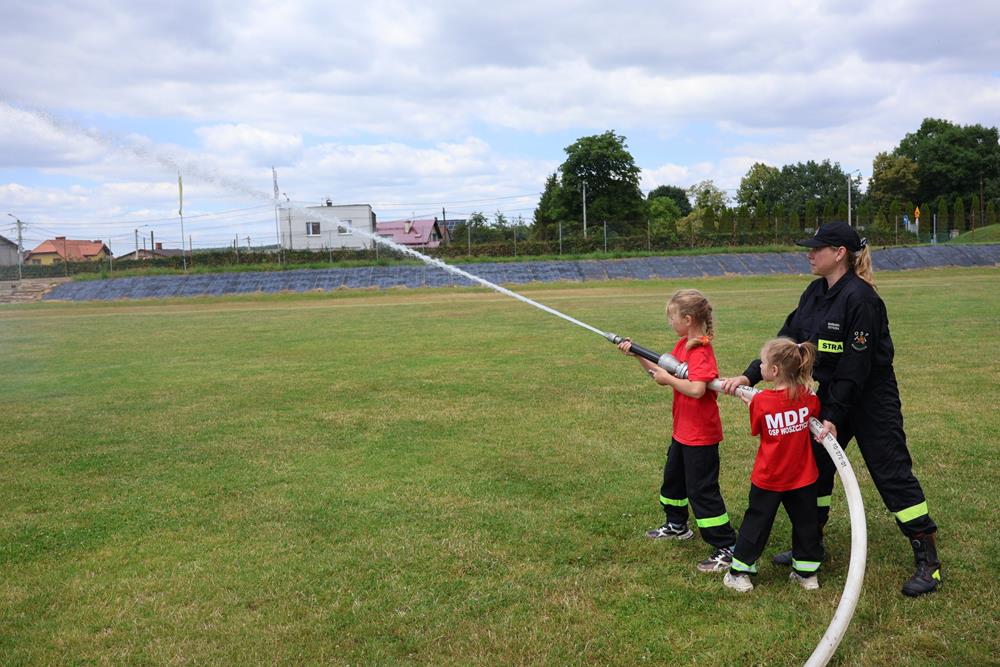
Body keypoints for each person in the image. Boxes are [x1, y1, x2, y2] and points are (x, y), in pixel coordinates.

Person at [720, 221, 942, 597]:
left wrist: (833, 418)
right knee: (814, 470)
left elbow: (856, 368)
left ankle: (928, 562)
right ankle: (810, 547)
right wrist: (749, 376)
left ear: (839, 253)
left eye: (816, 248)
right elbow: (786, 343)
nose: (809, 254)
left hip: (870, 399)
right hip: (829, 395)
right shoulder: (814, 293)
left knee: (891, 473)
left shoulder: (862, 300)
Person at [619, 288, 737, 573]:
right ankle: (676, 524)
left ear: (687, 318)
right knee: (673, 482)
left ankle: (727, 547)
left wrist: (668, 381)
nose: (669, 323)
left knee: (702, 491)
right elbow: (659, 371)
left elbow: (697, 389)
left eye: (671, 318)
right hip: (683, 432)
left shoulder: (701, 350)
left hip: (701, 435)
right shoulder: (683, 345)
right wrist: (634, 352)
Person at [723, 338, 823, 593]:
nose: (761, 367)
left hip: (770, 477)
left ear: (775, 370)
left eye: (763, 363)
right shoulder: (807, 397)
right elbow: (813, 409)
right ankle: (806, 574)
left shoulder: (762, 401)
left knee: (757, 523)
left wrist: (754, 404)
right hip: (803, 477)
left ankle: (739, 572)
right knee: (806, 524)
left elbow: (759, 428)